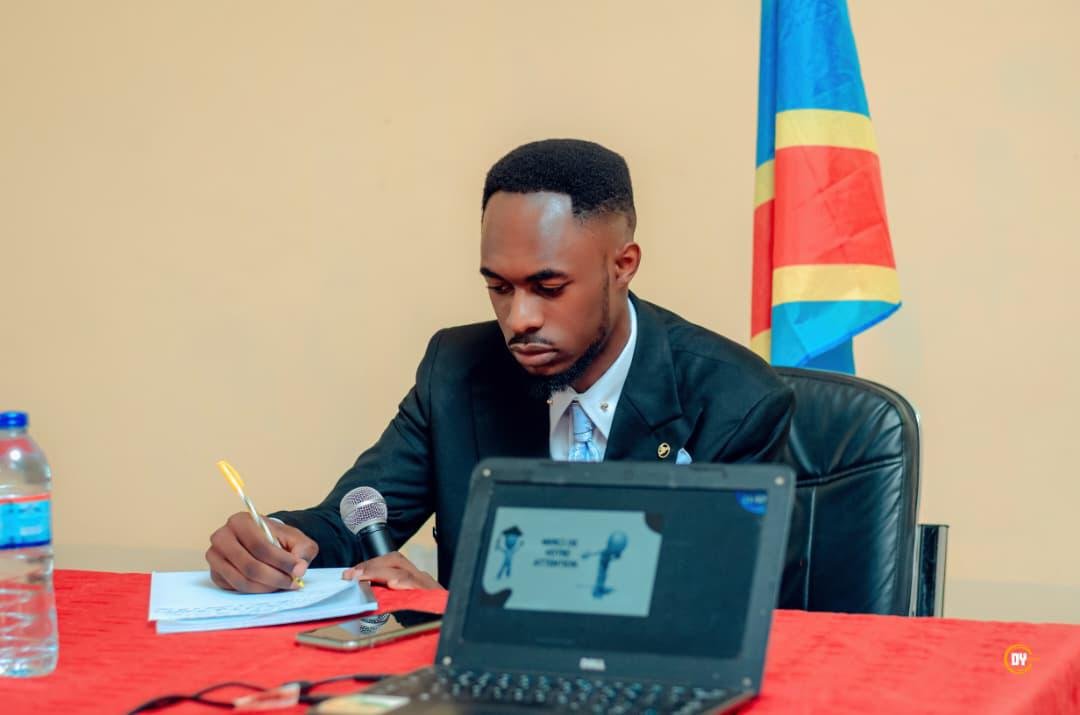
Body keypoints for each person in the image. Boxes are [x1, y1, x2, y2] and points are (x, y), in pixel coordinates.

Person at [205, 139, 795, 594]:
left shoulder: (737, 401)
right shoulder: (457, 369)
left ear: (623, 265)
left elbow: (712, 604)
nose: (519, 319)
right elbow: (350, 524)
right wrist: (277, 541)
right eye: (499, 287)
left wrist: (456, 612)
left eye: (549, 287)